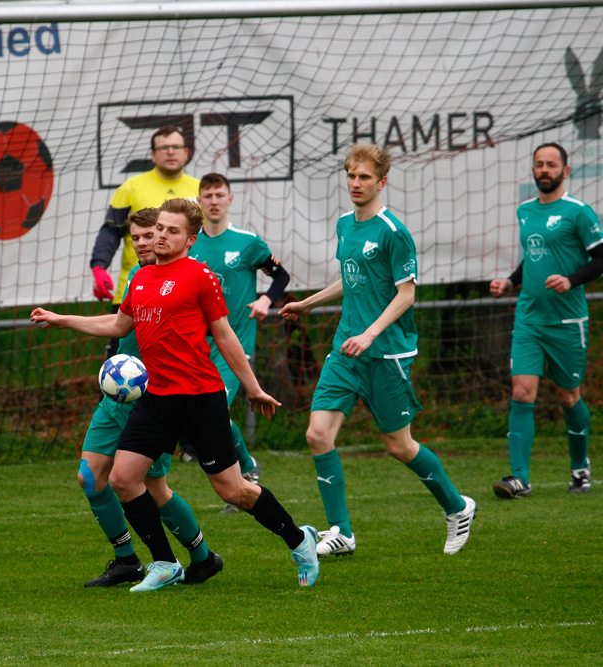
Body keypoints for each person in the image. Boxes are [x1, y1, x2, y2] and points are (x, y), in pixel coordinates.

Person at [34, 198, 320, 590]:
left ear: (190, 238)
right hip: (156, 400)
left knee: (233, 490)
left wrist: (253, 388)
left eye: (171, 230)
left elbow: (224, 335)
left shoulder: (200, 277)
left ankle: (298, 539)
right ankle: (165, 562)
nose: (161, 236)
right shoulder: (141, 277)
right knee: (122, 478)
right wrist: (63, 319)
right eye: (160, 228)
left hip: (200, 398)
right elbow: (119, 325)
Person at [279, 144, 476, 558]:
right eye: (351, 175)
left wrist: (370, 335)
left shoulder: (393, 232)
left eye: (364, 177)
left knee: (399, 446)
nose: (356, 183)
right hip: (345, 351)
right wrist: (307, 303)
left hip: (387, 354)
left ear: (381, 182)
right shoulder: (345, 226)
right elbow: (351, 280)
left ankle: (458, 508)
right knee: (318, 435)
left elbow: (406, 295)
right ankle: (342, 532)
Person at [80, 208, 223, 588]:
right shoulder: (137, 278)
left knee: (153, 488)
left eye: (151, 235)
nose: (145, 242)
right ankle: (127, 560)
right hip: (115, 399)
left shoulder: (182, 280)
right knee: (90, 478)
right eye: (138, 238)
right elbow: (118, 326)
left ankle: (201, 556)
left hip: (155, 401)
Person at [489, 142, 603, 498]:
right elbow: (533, 258)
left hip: (567, 322)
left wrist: (571, 280)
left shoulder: (579, 213)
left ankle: (580, 469)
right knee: (522, 391)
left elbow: (600, 260)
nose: (544, 170)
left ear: (565, 171)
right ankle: (519, 478)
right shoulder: (525, 211)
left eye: (552, 165)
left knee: (569, 397)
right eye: (539, 164)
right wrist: (511, 281)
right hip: (528, 319)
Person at [186, 173, 291, 511]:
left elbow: (281, 276)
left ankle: (244, 472)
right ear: (199, 202)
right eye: (208, 196)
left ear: (230, 199)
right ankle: (246, 466)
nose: (214, 201)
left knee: (213, 408)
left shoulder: (248, 243)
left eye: (219, 195)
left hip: (235, 342)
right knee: (200, 412)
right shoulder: (191, 245)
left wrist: (266, 300)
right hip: (197, 343)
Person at [89, 125, 200, 356]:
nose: (170, 152)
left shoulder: (199, 189)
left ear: (186, 152)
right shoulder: (131, 188)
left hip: (182, 295)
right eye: (164, 147)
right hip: (133, 292)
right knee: (120, 374)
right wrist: (99, 266)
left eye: (176, 147)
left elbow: (208, 239)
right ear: (152, 154)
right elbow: (111, 231)